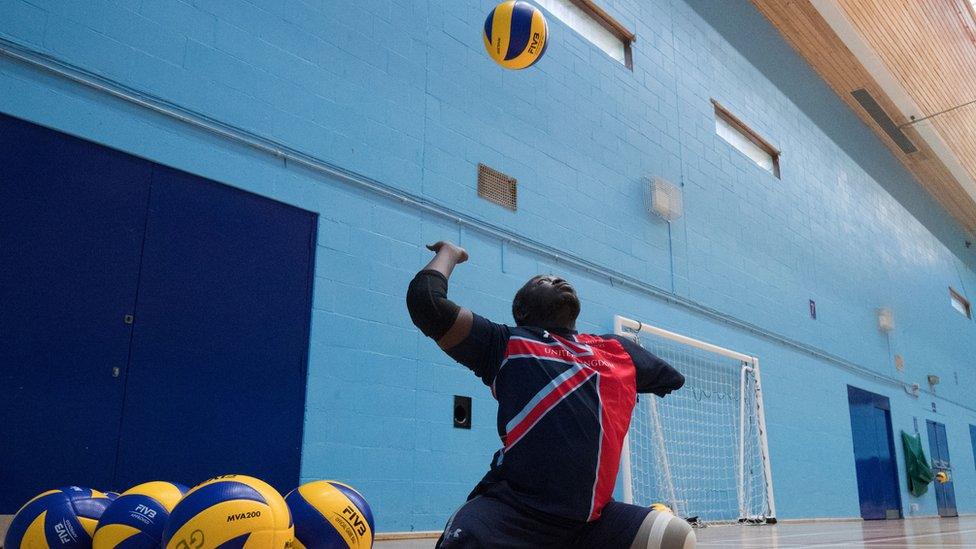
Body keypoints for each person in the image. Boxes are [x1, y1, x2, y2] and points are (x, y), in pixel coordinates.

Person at [406, 241, 694, 549]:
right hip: (515, 515)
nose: (556, 279)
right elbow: (428, 305)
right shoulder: (505, 343)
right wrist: (449, 253)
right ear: (522, 310)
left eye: (557, 278)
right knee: (464, 538)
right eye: (542, 281)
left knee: (677, 537)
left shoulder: (616, 348)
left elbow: (672, 379)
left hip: (591, 523)